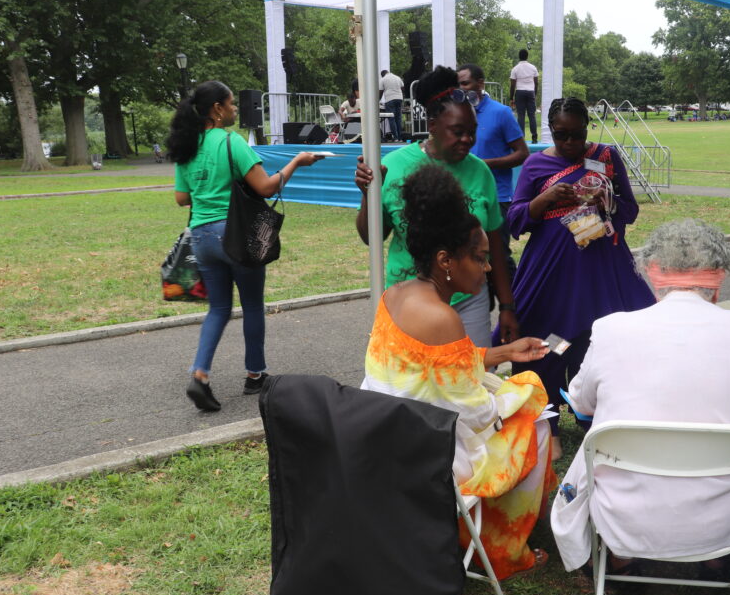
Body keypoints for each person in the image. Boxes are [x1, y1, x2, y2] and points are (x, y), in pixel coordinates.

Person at [550, 219, 730, 572]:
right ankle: (716, 558)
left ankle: (621, 557)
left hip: (624, 511)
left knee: (600, 445)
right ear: (718, 280)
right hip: (727, 517)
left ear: (651, 278)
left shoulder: (611, 330)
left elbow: (582, 404)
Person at [361, 163, 555, 581]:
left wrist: (503, 352)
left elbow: (428, 367)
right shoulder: (442, 317)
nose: (487, 269)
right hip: (430, 460)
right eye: (481, 258)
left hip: (379, 444)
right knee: (536, 420)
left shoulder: (396, 294)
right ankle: (501, 548)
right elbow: (477, 415)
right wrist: (523, 391)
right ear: (446, 259)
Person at [499, 97, 656, 457]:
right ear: (551, 131)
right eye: (560, 136)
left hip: (601, 270)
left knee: (600, 342)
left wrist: (607, 201)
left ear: (588, 127)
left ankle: (598, 421)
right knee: (551, 345)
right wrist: (548, 198)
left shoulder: (605, 157)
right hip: (554, 276)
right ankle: (548, 424)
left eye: (576, 134)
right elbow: (517, 220)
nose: (569, 143)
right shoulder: (537, 164)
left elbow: (629, 210)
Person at [167, 80, 322, 411]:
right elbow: (266, 187)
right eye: (232, 103)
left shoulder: (187, 146)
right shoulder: (230, 142)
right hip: (235, 233)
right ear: (218, 109)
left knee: (218, 309)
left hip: (202, 237)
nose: (236, 109)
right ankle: (255, 374)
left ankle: (200, 375)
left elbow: (182, 198)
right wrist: (297, 162)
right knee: (252, 304)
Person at [355, 65, 519, 347]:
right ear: (432, 126)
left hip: (469, 299)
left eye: (472, 131)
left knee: (471, 380)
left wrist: (506, 307)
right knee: (412, 384)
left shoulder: (480, 172)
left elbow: (495, 247)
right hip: (408, 300)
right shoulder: (392, 166)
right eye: (458, 131)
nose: (467, 140)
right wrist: (367, 194)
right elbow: (372, 237)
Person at [457, 62, 529, 307]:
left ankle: (517, 308)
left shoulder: (500, 113)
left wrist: (484, 165)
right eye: (458, 84)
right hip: (463, 200)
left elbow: (522, 153)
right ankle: (482, 310)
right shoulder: (457, 114)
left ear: (481, 84)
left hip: (497, 199)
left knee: (498, 256)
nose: (461, 88)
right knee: (469, 258)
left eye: (465, 83)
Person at [509, 49, 539, 144]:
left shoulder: (515, 69)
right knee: (532, 115)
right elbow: (536, 82)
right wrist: (535, 94)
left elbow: (512, 85)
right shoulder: (533, 68)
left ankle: (522, 138)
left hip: (520, 92)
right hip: (530, 92)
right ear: (527, 56)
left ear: (519, 56)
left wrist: (511, 97)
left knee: (521, 116)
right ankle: (534, 138)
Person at [379, 68, 404, 141]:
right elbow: (403, 88)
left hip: (390, 99)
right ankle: (400, 138)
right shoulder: (397, 77)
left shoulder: (383, 79)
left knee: (391, 118)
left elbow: (380, 92)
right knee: (398, 119)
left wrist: (377, 100)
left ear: (382, 75)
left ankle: (395, 138)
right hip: (399, 98)